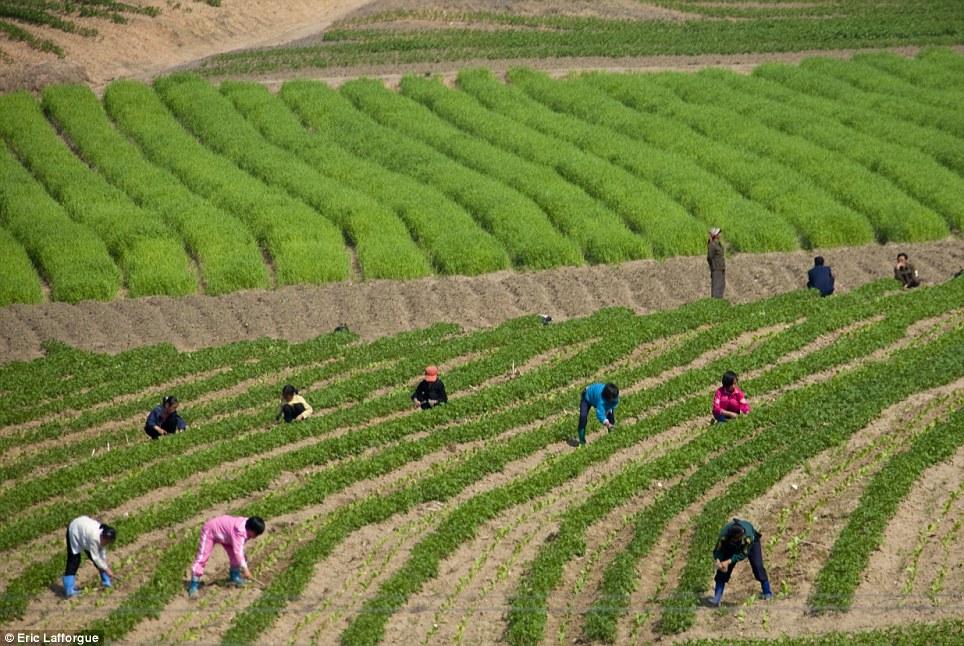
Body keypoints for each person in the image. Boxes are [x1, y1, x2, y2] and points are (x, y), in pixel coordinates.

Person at [188, 515, 265, 599]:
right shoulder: (239, 532)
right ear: (250, 529)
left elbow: (238, 552)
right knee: (203, 557)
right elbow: (238, 552)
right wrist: (246, 570)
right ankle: (194, 585)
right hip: (211, 530)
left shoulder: (247, 525)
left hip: (227, 536)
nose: (255, 537)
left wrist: (244, 564)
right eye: (255, 534)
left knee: (236, 557)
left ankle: (235, 577)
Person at [709, 518, 772, 606]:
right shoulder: (724, 535)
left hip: (752, 545)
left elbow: (743, 553)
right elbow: (718, 550)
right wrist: (719, 561)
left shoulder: (748, 537)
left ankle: (767, 592)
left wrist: (729, 561)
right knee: (722, 571)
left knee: (758, 566)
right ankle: (717, 598)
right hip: (730, 547)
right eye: (734, 539)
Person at [63, 516, 116, 598]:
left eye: (107, 542)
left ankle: (106, 582)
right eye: (104, 539)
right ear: (102, 535)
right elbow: (96, 558)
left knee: (100, 561)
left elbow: (102, 554)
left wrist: (105, 564)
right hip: (75, 530)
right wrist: (107, 569)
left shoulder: (105, 536)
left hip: (85, 533)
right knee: (74, 560)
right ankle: (68, 589)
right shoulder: (95, 538)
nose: (104, 542)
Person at [707, 227, 726, 299]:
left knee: (721, 286)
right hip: (716, 268)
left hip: (721, 267)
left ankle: (720, 302)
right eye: (719, 233)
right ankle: (715, 302)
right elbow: (709, 257)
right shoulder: (712, 245)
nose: (720, 234)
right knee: (716, 287)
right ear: (715, 235)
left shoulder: (718, 244)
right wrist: (713, 265)